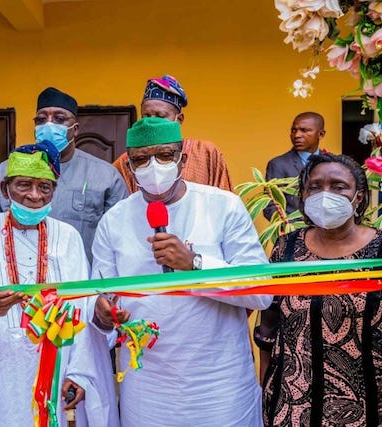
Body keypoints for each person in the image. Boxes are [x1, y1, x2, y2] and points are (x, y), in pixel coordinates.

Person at [92, 117, 272, 426]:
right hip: (147, 384)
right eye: (141, 159)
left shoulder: (223, 206)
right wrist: (104, 314)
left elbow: (261, 292)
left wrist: (194, 263)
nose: (153, 165)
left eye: (163, 155)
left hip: (219, 383)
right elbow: (101, 296)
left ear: (181, 158)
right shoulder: (114, 220)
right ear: (130, 166)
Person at [0, 142, 118, 427]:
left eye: (44, 187)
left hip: (54, 372)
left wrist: (80, 372)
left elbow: (83, 311)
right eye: (24, 185)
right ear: (5, 189)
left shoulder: (68, 238)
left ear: (53, 192)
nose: (34, 195)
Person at [256, 153, 382, 426]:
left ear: (358, 196)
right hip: (291, 404)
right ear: (303, 194)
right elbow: (268, 327)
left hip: (369, 406)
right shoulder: (287, 249)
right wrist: (266, 390)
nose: (325, 194)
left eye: (338, 187)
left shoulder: (379, 251)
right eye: (315, 186)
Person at [0, 87, 129, 260]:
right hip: (16, 279)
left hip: (81, 280)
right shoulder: (7, 171)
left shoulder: (105, 175)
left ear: (75, 129)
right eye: (41, 119)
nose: (49, 125)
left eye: (59, 119)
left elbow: (122, 236)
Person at [112, 74, 233, 193]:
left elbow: (225, 203)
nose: (153, 122)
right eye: (147, 116)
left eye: (161, 116)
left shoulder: (206, 153)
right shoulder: (125, 162)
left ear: (179, 120)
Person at [263, 111, 326, 219]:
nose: (297, 135)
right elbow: (270, 205)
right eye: (294, 130)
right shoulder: (278, 164)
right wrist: (292, 229)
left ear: (321, 134)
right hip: (293, 232)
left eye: (304, 130)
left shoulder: (332, 163)